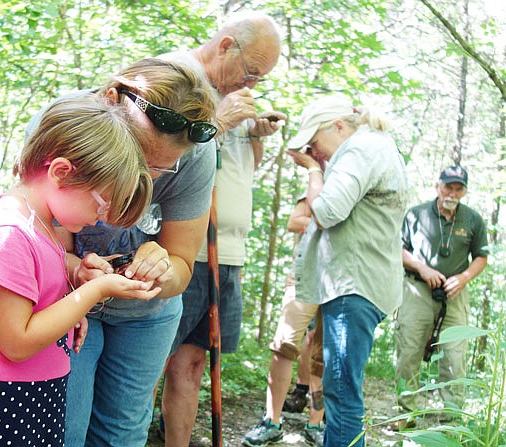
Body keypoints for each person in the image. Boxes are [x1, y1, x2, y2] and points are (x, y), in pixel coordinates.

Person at [0, 94, 159, 446]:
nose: (103, 218)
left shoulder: (41, 225)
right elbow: (16, 342)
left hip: (32, 398)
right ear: (61, 172)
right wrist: (92, 292)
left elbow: (37, 291)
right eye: (102, 203)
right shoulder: (8, 234)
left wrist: (74, 283)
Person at [39, 59, 219, 446]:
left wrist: (161, 270)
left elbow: (182, 261)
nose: (146, 176)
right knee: (64, 427)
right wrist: (77, 272)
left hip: (145, 318)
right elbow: (40, 241)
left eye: (161, 169)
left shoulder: (198, 155)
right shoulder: (66, 125)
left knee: (121, 433)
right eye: (138, 155)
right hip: (67, 303)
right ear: (111, 100)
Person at [157, 11, 286, 447]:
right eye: (250, 72)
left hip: (228, 253)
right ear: (226, 45)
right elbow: (157, 157)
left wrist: (254, 136)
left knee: (192, 365)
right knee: (151, 363)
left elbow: (237, 170)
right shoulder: (178, 77)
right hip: (183, 249)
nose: (250, 85)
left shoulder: (232, 97)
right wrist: (221, 122)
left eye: (260, 79)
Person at [286, 93, 409, 447]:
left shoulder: (361, 149)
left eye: (315, 143)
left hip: (353, 286)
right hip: (360, 284)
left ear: (339, 126)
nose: (315, 152)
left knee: (340, 393)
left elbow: (325, 212)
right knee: (342, 391)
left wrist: (312, 171)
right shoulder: (376, 146)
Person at [394, 166, 489, 428]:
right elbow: (398, 250)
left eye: (458, 188)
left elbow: (481, 256)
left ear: (465, 191)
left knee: (454, 357)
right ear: (438, 186)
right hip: (417, 291)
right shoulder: (416, 214)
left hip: (455, 295)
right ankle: (406, 416)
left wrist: (464, 278)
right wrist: (422, 268)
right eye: (448, 187)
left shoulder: (472, 220)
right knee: (409, 351)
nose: (452, 193)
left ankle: (453, 421)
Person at [243, 195, 326, 447]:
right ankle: (271, 421)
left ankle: (316, 423)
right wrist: (326, 219)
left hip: (340, 281)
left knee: (322, 357)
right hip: (304, 277)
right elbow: (294, 221)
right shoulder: (318, 185)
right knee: (284, 347)